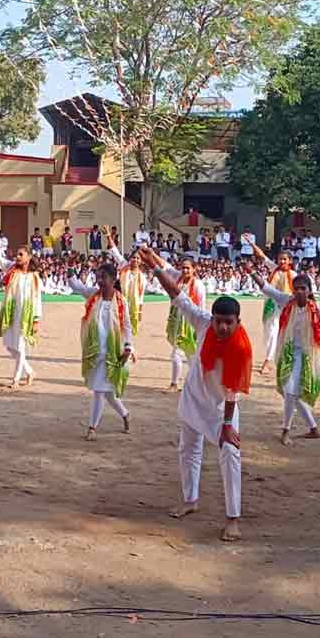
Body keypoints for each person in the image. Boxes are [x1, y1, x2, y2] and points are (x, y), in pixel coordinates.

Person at [142, 247, 251, 542]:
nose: (223, 326)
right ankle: (190, 499)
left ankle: (233, 517)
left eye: (229, 322)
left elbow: (232, 393)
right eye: (219, 320)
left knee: (230, 454)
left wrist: (228, 426)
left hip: (221, 409)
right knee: (187, 449)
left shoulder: (240, 348)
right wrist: (154, 266)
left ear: (237, 322)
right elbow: (177, 296)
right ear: (212, 318)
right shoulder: (203, 323)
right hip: (193, 397)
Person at [247, 263, 320, 446]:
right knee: (292, 393)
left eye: (302, 289)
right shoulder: (286, 301)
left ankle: (286, 431)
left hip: (305, 355)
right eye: (296, 289)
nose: (298, 292)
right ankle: (313, 428)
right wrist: (251, 272)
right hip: (288, 352)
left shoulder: (314, 310)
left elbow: (318, 340)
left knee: (290, 391)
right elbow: (266, 288)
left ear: (310, 290)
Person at [69, 262, 133, 440]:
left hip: (114, 352)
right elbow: (77, 286)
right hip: (95, 351)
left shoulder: (121, 301)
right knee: (107, 393)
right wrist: (69, 272)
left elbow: (127, 325)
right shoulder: (93, 295)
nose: (99, 281)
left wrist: (128, 347)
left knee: (99, 390)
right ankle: (125, 414)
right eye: (97, 277)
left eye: (103, 277)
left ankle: (92, 428)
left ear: (113, 279)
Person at [0, 237, 42, 389]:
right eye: (17, 254)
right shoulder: (12, 269)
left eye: (21, 255)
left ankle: (16, 379)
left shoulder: (35, 277)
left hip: (26, 315)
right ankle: (30, 371)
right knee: (10, 346)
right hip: (11, 312)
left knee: (20, 346)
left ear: (29, 257)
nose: (17, 257)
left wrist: (36, 319)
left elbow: (38, 299)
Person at [163, 254, 208, 391]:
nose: (185, 271)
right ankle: (175, 383)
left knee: (191, 355)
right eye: (183, 268)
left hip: (191, 322)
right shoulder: (178, 279)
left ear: (194, 269)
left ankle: (195, 384)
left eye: (188, 268)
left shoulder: (198, 285)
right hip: (177, 321)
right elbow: (164, 266)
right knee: (177, 352)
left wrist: (198, 328)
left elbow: (202, 306)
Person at [253, 250, 295, 373]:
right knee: (268, 334)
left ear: (290, 261)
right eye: (280, 259)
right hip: (270, 305)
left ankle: (267, 361)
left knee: (274, 332)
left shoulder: (293, 275)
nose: (282, 261)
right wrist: (251, 244)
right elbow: (262, 256)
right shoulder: (275, 268)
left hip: (284, 305)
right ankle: (274, 358)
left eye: (285, 259)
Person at [106, 229, 146, 339]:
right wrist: (109, 236)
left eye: (138, 258)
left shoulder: (142, 277)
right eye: (133, 257)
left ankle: (128, 350)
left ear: (141, 261)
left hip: (133, 307)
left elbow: (141, 297)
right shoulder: (123, 265)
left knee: (129, 331)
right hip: (119, 302)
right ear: (130, 258)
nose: (135, 260)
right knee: (116, 328)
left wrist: (140, 313)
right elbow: (114, 251)